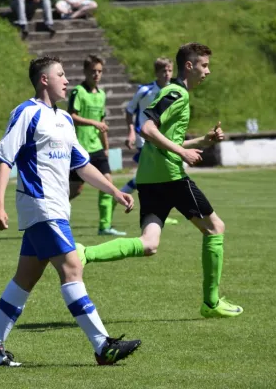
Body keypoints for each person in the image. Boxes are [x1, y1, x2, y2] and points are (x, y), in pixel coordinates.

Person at [0, 56, 141, 367]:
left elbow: (82, 165)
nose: (67, 80)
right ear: (44, 80)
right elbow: (4, 158)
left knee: (24, 280)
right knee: (72, 268)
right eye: (60, 74)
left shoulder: (64, 119)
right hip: (41, 205)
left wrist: (115, 191)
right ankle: (103, 345)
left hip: (57, 209)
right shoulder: (26, 113)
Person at [71, 43, 244, 319]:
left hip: (150, 178)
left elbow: (165, 137)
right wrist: (182, 152)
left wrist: (202, 141)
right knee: (215, 228)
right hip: (170, 176)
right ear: (189, 66)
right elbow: (147, 128)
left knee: (149, 243)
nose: (208, 71)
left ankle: (84, 253)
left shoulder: (173, 93)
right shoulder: (176, 93)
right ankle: (211, 303)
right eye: (205, 65)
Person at [68, 55, 126, 236]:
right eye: (93, 71)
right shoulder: (78, 92)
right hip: (79, 148)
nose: (96, 74)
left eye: (99, 71)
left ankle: (104, 226)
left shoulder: (101, 95)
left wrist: (106, 147)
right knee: (75, 190)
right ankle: (50, 214)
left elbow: (102, 123)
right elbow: (71, 116)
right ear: (85, 71)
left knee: (108, 184)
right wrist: (93, 123)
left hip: (97, 149)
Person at [120, 57, 179, 226]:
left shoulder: (174, 91)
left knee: (155, 174)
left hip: (162, 138)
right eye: (163, 71)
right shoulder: (144, 91)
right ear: (156, 73)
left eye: (169, 70)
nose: (167, 74)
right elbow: (129, 110)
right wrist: (131, 131)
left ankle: (158, 212)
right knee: (158, 173)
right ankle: (121, 194)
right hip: (143, 138)